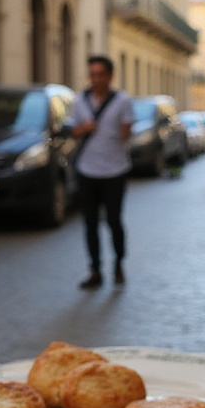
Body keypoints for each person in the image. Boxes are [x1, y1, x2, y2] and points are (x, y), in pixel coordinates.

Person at [70, 55, 135, 289]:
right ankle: (95, 269)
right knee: (89, 224)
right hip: (87, 170)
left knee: (114, 221)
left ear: (109, 76)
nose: (96, 79)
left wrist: (122, 133)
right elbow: (73, 132)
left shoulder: (122, 101)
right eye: (93, 75)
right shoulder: (80, 101)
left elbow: (127, 133)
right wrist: (83, 128)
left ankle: (118, 263)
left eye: (100, 74)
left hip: (115, 171)